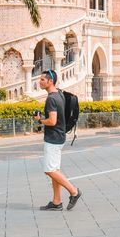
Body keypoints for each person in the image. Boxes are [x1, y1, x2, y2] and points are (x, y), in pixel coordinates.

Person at [37, 69, 82, 211]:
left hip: (53, 138)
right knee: (54, 169)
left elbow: (52, 121)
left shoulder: (51, 98)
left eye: (43, 79)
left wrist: (40, 121)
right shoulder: (60, 94)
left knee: (49, 170)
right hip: (60, 136)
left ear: (50, 81)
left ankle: (74, 191)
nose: (40, 82)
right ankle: (56, 202)